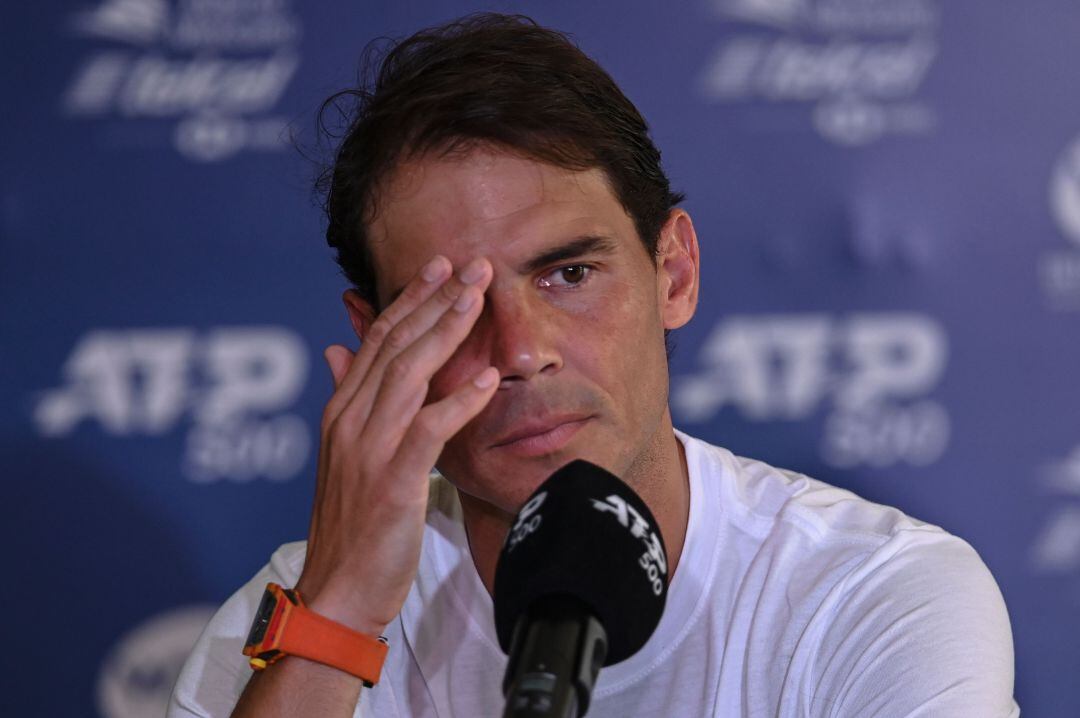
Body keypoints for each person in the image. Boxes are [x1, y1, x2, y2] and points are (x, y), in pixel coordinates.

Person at [169, 13, 1019, 717]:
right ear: (378, 340)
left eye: (569, 274)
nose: (520, 350)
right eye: (451, 308)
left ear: (673, 273)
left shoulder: (873, 596)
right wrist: (337, 618)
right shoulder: (291, 615)